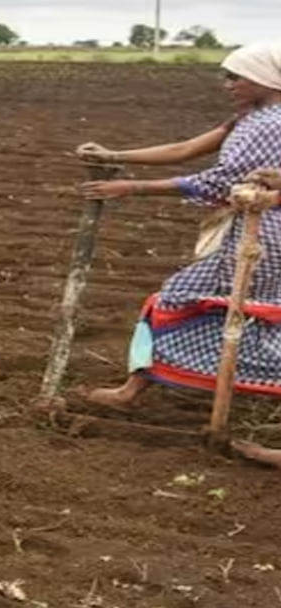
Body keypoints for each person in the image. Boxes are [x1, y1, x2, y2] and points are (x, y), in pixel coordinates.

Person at [75, 40, 281, 415]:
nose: (228, 84)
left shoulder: (271, 124)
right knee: (238, 311)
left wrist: (132, 187)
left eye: (236, 77)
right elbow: (183, 149)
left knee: (185, 302)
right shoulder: (246, 119)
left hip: (263, 233)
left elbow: (223, 181)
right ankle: (143, 387)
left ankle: (134, 390)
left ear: (264, 79)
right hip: (254, 229)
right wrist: (112, 156)